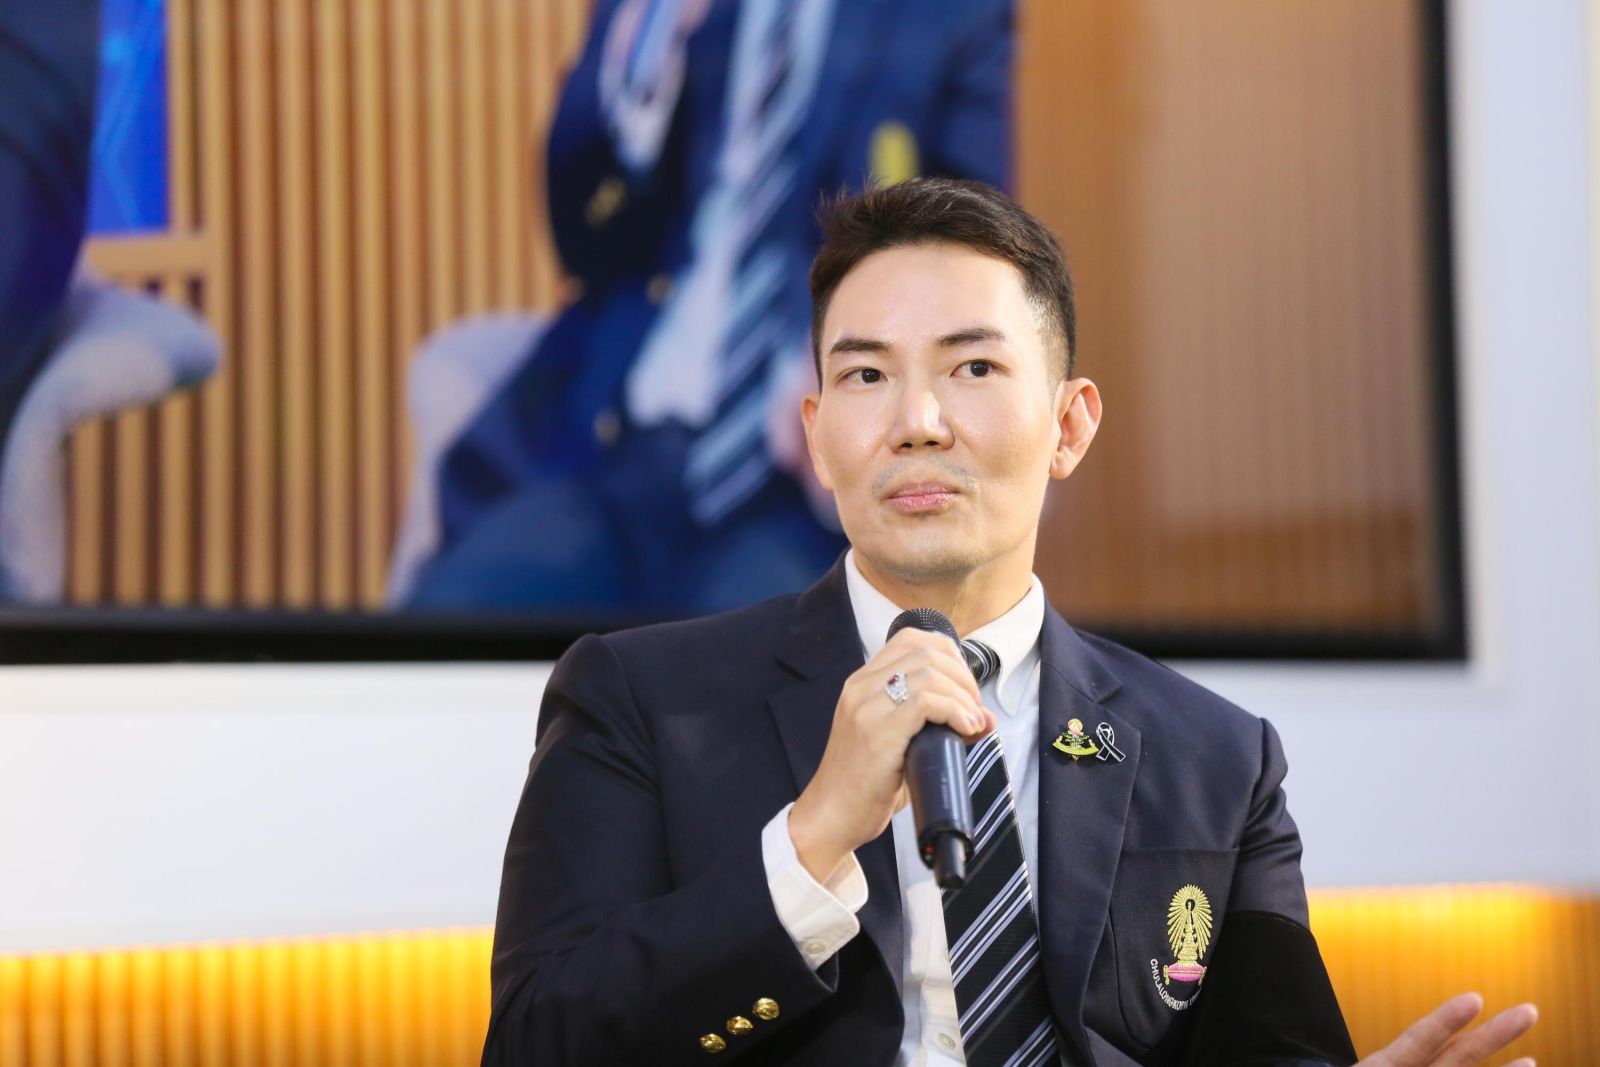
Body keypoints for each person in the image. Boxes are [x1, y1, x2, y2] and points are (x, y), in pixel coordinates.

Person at [480, 179, 1538, 1066]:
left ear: (1069, 424)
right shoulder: (640, 699)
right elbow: (535, 1041)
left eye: (973, 367)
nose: (917, 422)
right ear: (817, 434)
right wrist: (810, 839)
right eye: (865, 374)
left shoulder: (1217, 757)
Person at [402, 0, 1011, 614]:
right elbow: (581, 244)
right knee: (442, 627)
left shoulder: (948, 14)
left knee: (770, 657)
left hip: (793, 485)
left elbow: (973, 259)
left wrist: (864, 356)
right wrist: (638, 84)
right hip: (615, 448)